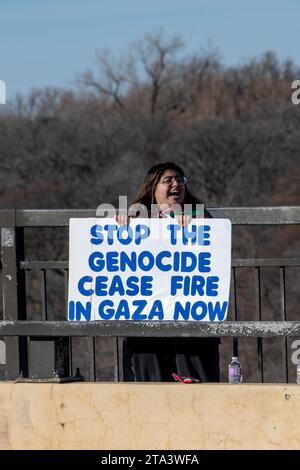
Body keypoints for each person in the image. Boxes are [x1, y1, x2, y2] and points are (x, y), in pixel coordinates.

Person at [118, 162, 220, 382]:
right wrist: (120, 223)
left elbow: (216, 248)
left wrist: (194, 222)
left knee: (194, 376)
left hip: (189, 313)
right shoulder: (137, 217)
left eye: (180, 179)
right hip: (145, 313)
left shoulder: (198, 213)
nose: (176, 184)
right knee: (147, 377)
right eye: (168, 180)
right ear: (153, 187)